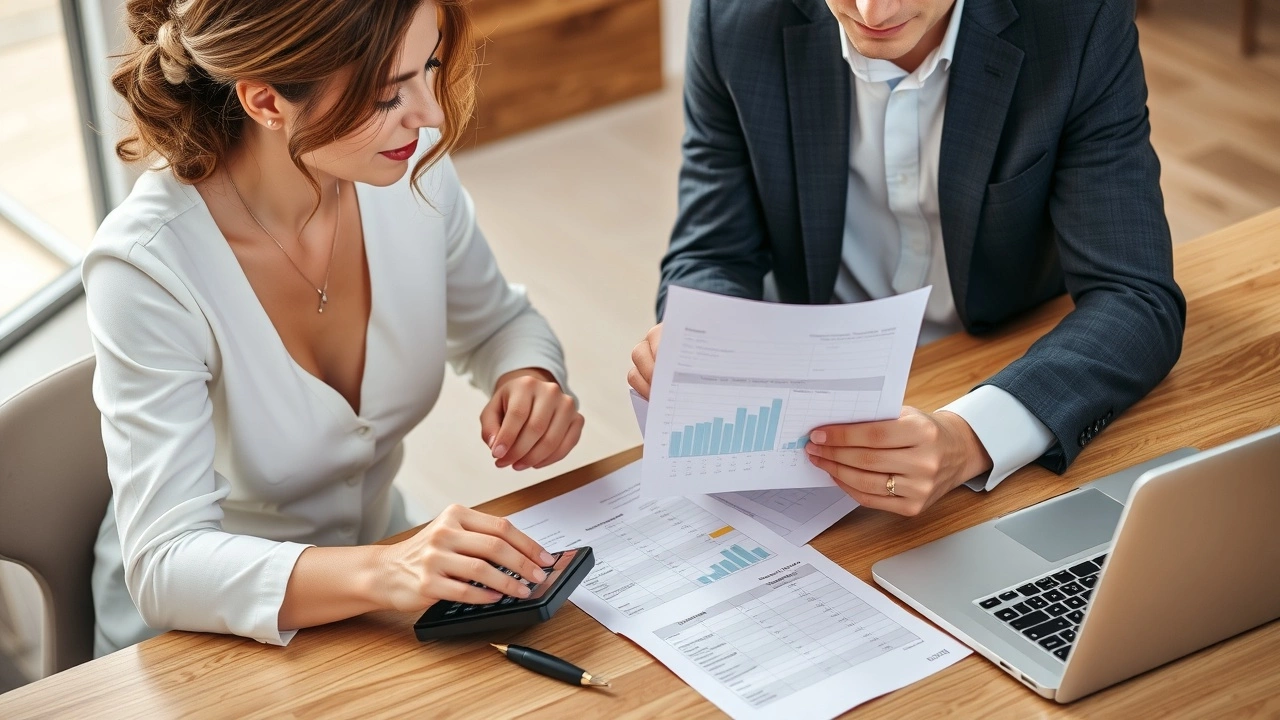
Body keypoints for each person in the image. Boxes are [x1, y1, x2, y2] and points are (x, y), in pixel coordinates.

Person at [86, 0, 583, 656]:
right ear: (267, 103)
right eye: (387, 96)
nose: (431, 113)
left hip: (373, 601)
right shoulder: (146, 265)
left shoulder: (409, 168)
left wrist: (529, 374)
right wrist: (389, 570)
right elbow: (166, 564)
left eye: (428, 67)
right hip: (194, 646)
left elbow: (497, 322)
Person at [628, 0, 1185, 517]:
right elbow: (711, 248)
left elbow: (1135, 296)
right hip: (808, 405)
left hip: (1006, 357)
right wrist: (699, 330)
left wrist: (971, 438)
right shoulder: (731, 15)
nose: (873, 11)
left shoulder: (1075, 17)